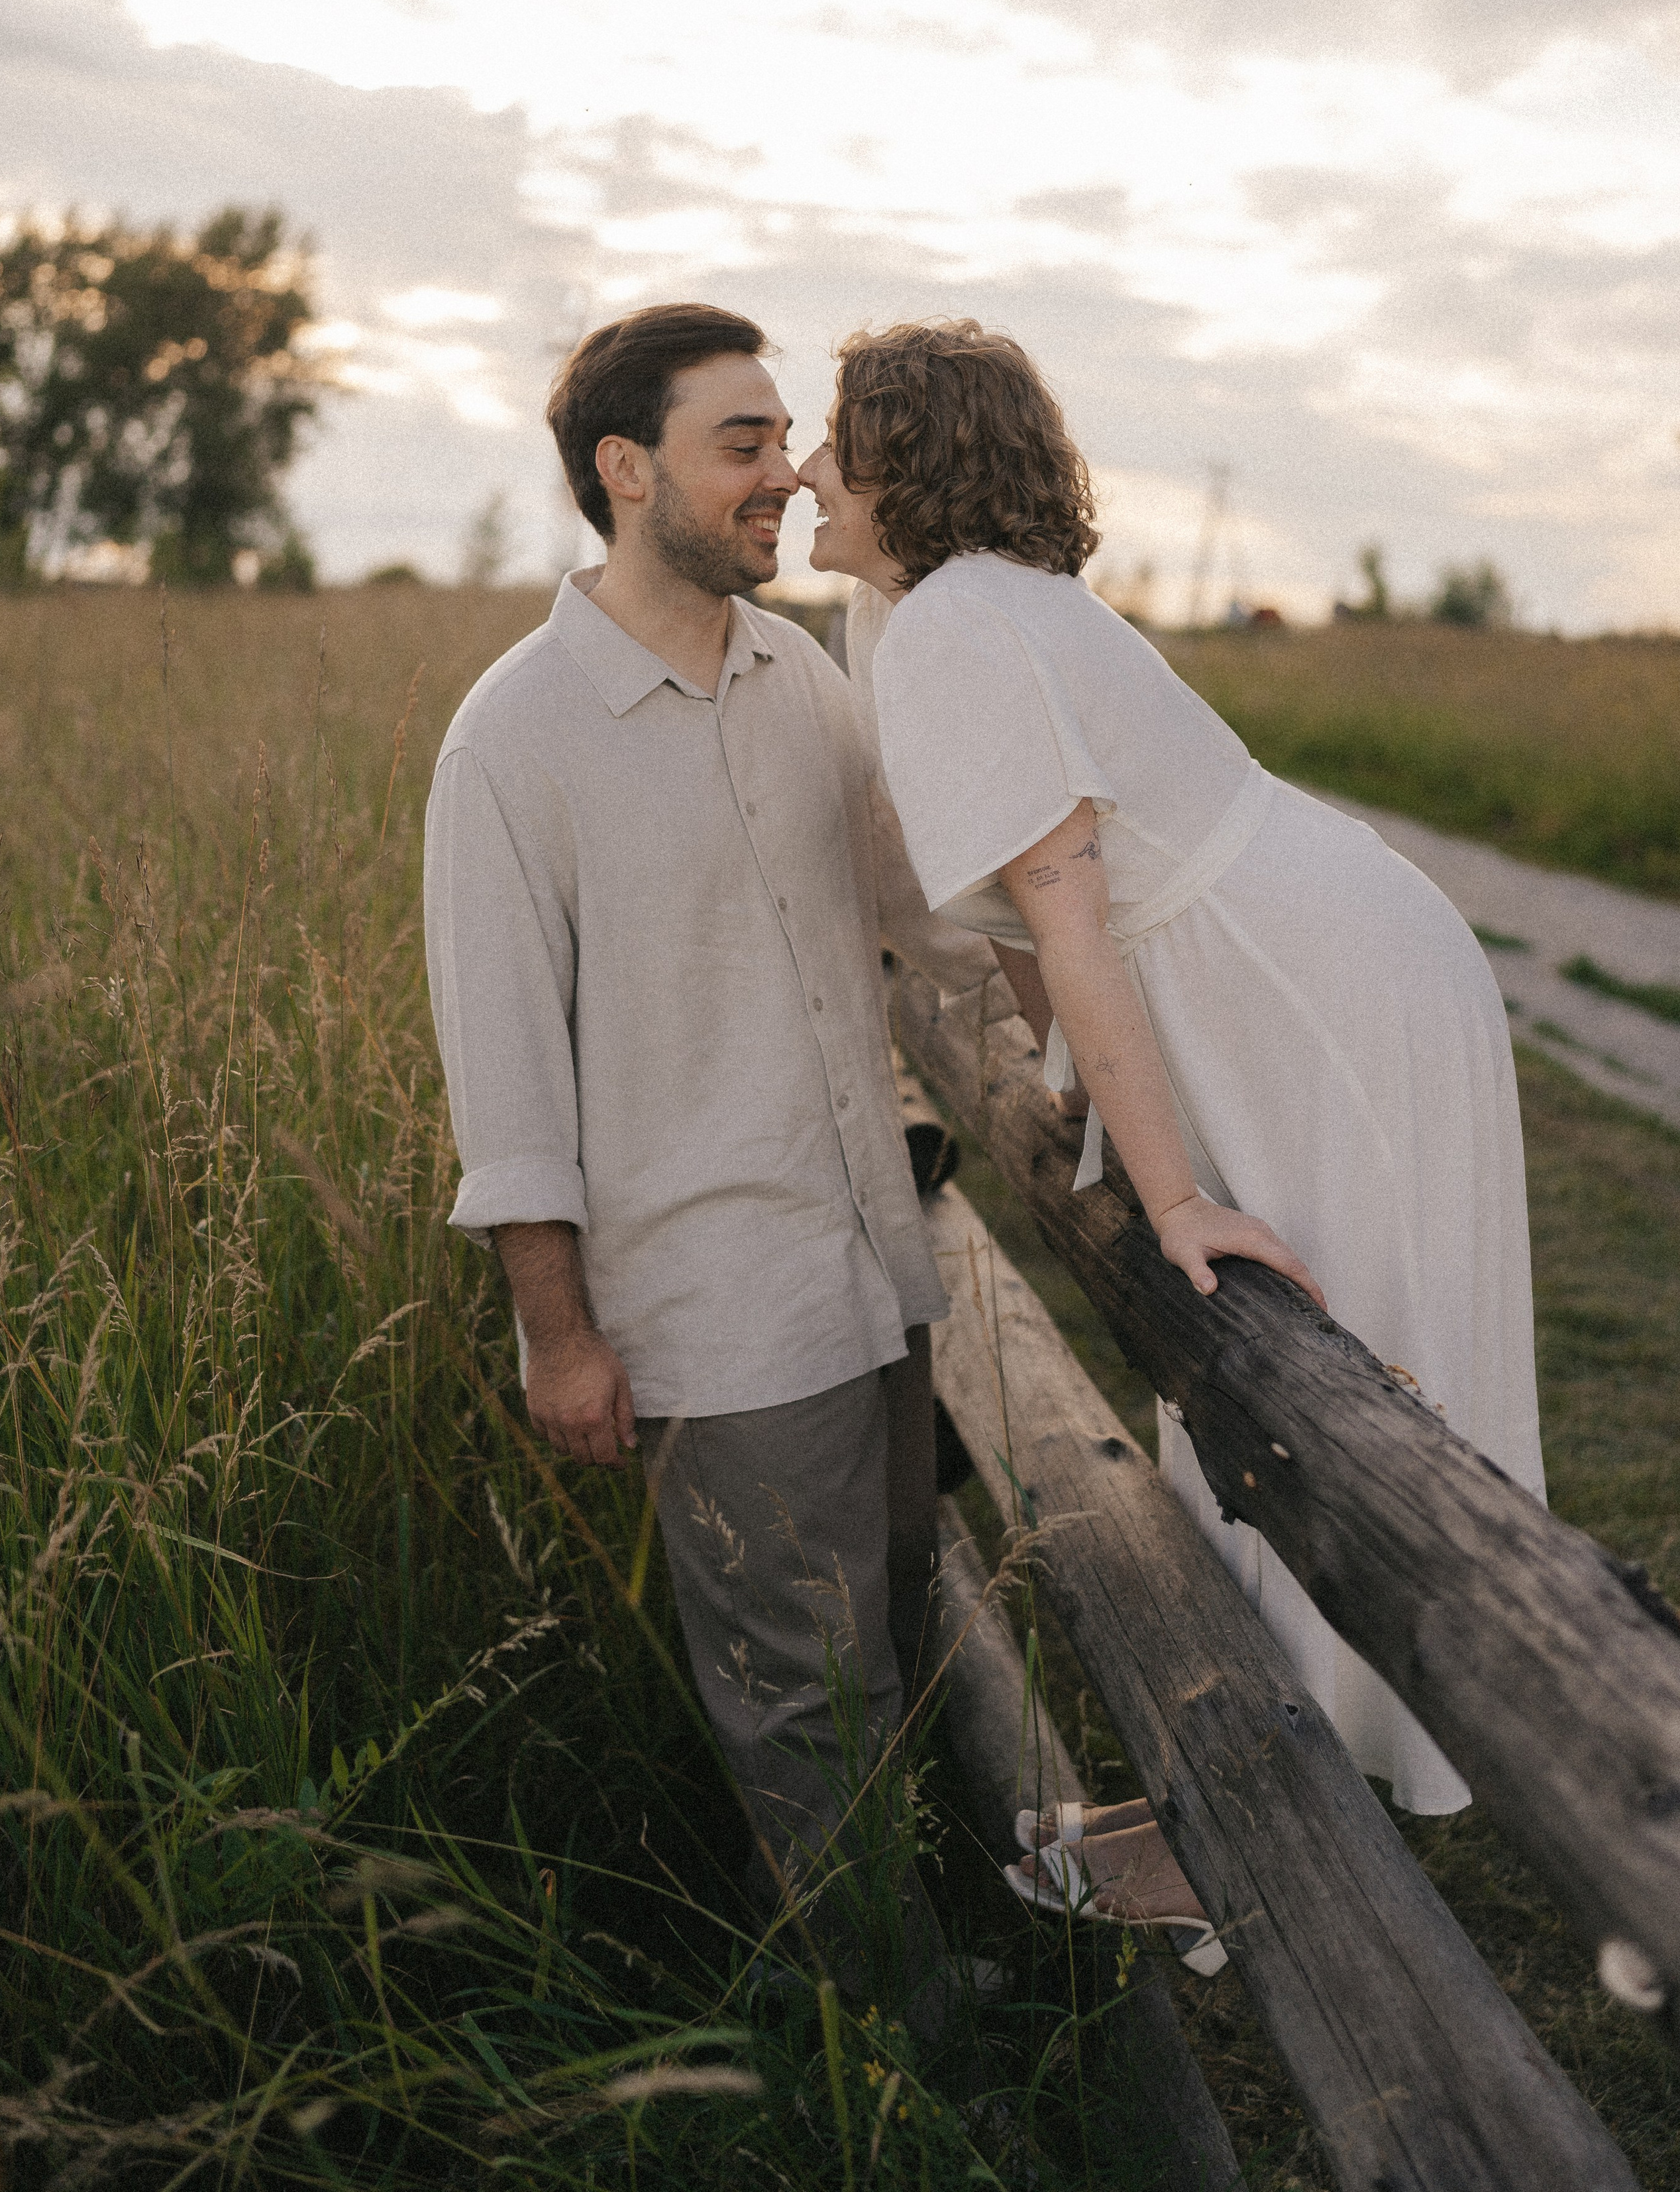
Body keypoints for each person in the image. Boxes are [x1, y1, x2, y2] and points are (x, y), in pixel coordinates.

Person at [800, 316, 1546, 1820]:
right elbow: (1011, 906)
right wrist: (1093, 1102)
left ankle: (1300, 1803)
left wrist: (1168, 1192)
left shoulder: (957, 622)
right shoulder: (902, 626)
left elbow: (1066, 906)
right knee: (1247, 1379)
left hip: (1319, 985)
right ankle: (1243, 1804)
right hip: (1261, 972)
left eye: (836, 442)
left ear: (906, 467)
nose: (810, 467)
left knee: (1322, 1356)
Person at [423, 302, 997, 1932]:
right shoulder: (513, 742)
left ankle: (907, 2000)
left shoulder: (800, 681)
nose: (786, 475)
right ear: (624, 470)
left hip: (870, 1281)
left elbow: (931, 929)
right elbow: (507, 1074)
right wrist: (557, 1334)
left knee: (884, 1638)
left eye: (777, 440)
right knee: (806, 1710)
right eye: (741, 445)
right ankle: (889, 2072)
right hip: (718, 1327)